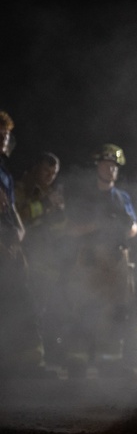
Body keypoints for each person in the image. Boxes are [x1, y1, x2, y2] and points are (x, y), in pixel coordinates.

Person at [60, 143, 137, 378]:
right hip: (91, 258)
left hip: (117, 259)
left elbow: (134, 226)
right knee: (85, 308)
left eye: (114, 166)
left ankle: (110, 362)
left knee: (116, 311)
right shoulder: (85, 196)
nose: (111, 170)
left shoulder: (122, 197)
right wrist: (99, 224)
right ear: (96, 166)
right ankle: (77, 364)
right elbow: (70, 229)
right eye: (106, 164)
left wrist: (127, 228)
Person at [0, 111, 50, 378]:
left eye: (6, 136)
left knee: (20, 302)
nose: (3, 140)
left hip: (11, 248)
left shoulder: (4, 171)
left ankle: (27, 368)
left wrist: (17, 233)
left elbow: (11, 210)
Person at [14, 151, 67, 367]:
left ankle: (46, 355)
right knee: (29, 308)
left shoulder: (53, 192)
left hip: (49, 261)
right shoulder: (22, 188)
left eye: (54, 173)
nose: (50, 176)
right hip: (27, 257)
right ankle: (31, 359)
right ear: (36, 167)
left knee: (47, 310)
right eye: (47, 170)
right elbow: (19, 215)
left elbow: (60, 228)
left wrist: (59, 211)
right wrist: (45, 206)